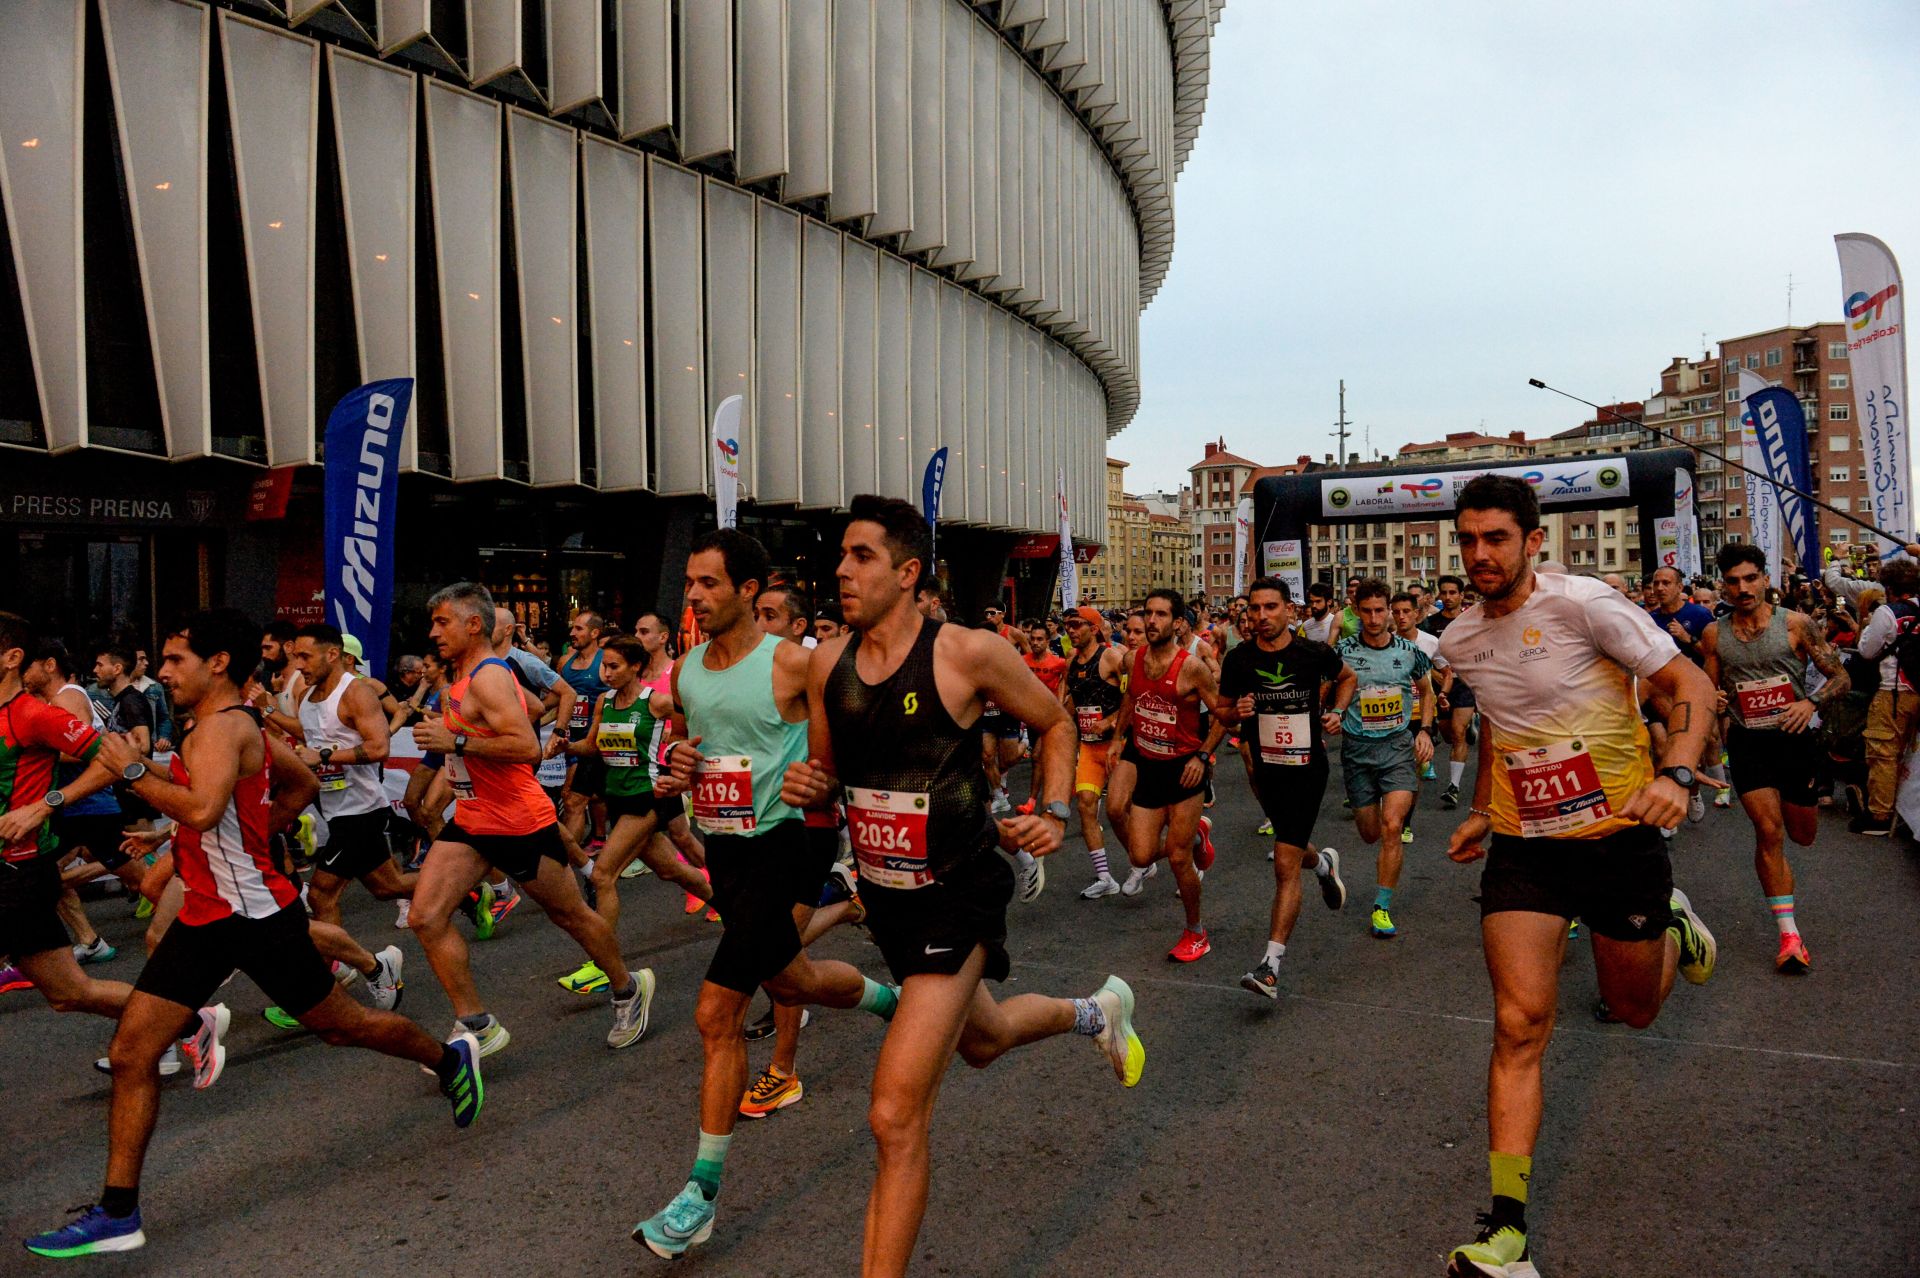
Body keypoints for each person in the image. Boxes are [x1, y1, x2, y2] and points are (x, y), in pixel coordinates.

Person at [24, 609, 483, 1260]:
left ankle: (447, 1058)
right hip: (207, 917)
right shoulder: (223, 726)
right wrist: (217, 838)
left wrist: (135, 775)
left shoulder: (224, 728)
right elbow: (288, 784)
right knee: (132, 1053)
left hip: (254, 918)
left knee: (341, 1024)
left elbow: (206, 806)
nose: (162, 670)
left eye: (175, 658)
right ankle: (118, 1210)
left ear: (217, 663)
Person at [781, 495, 1143, 1278]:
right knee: (983, 1042)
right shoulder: (825, 663)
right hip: (885, 901)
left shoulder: (966, 653)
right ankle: (1097, 1013)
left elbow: (1055, 722)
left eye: (863, 556)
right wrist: (807, 784)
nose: (842, 570)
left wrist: (1050, 809)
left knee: (893, 1115)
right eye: (841, 555)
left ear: (909, 573)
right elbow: (828, 772)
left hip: (959, 893)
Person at [1437, 476, 1718, 1277]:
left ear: (1533, 541)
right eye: (1468, 539)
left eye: (1495, 538)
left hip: (1620, 841)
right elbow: (1503, 723)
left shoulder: (1586, 606)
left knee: (1633, 1011)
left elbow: (1687, 686)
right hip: (1528, 849)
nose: (1480, 554)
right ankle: (1507, 1232)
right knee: (1520, 1022)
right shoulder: (1460, 640)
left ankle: (1672, 919)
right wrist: (1487, 812)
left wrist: (1679, 774)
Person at [632, 529, 898, 1260]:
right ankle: (892, 1004)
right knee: (792, 976)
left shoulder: (794, 664)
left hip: (788, 844)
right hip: (725, 847)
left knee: (717, 1010)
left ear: (749, 591)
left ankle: (701, 1194)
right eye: (689, 582)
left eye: (709, 583)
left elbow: (851, 748)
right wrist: (681, 763)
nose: (693, 595)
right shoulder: (686, 671)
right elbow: (693, 746)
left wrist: (827, 779)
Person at [408, 583, 652, 1054]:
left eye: (442, 622)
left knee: (570, 915)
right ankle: (475, 1022)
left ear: (473, 624)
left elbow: (525, 747)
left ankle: (627, 987)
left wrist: (455, 741)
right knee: (425, 916)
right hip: (475, 819)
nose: (433, 632)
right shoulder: (471, 675)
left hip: (519, 822)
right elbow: (536, 707)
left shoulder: (488, 678)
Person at [1699, 544, 1846, 973]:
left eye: (1750, 579)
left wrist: (1811, 704)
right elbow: (1711, 696)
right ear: (1723, 585)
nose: (1742, 589)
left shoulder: (1796, 625)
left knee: (1802, 834)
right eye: (1733, 581)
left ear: (1765, 579)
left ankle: (1789, 925)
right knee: (1769, 830)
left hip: (1794, 740)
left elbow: (1841, 675)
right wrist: (1719, 700)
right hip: (1749, 743)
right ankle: (1789, 936)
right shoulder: (1714, 634)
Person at [1215, 578, 1352, 997]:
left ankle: (1270, 966)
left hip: (1309, 769)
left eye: (1270, 607)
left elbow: (1347, 679)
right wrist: (1235, 712)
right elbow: (1221, 711)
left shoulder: (1312, 653)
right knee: (1295, 847)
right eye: (1254, 609)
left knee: (1284, 862)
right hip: (1266, 770)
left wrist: (1338, 713)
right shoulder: (1239, 659)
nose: (1261, 616)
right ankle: (1325, 866)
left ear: (1289, 611)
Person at [558, 636, 711, 994]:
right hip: (619, 798)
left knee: (603, 876)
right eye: (604, 666)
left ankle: (602, 963)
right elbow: (593, 745)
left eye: (614, 666)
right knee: (670, 868)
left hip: (649, 797)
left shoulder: (656, 703)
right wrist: (567, 745)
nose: (606, 673)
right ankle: (734, 907)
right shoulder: (604, 702)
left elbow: (687, 730)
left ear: (636, 667)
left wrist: (678, 759)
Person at [1112, 588, 1224, 960]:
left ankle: (1196, 931)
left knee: (1176, 859)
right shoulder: (1132, 659)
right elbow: (1131, 699)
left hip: (1184, 769)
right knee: (1140, 856)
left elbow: (1222, 714)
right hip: (1148, 765)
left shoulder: (1191, 667)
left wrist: (1203, 757)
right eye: (1148, 613)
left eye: (1161, 615)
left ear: (1178, 623)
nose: (1152, 621)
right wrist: (1117, 739)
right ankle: (1196, 838)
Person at [291, 623, 417, 937]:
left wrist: (321, 757)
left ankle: (346, 969)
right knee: (389, 887)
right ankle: (470, 890)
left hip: (360, 811)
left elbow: (379, 747)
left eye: (305, 657)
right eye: (296, 657)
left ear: (332, 654)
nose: (298, 665)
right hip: (336, 809)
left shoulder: (357, 692)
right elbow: (311, 738)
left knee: (321, 894)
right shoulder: (307, 697)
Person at [1334, 580, 1434, 939]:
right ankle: (1333, 864)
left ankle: (1381, 906)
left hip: (1397, 748)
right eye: (1367, 611)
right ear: (1356, 611)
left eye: (1381, 610)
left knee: (1392, 826)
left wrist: (1424, 730)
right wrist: (1330, 713)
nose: (1375, 618)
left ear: (1390, 610)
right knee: (1369, 832)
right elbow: (1326, 689)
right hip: (1357, 750)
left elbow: (1427, 690)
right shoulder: (1341, 651)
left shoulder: (1409, 651)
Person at [1060, 605, 1129, 899]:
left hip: (1120, 746)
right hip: (1089, 748)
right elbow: (1072, 700)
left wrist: (1111, 721)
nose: (1071, 631)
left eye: (1077, 625)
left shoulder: (1112, 657)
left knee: (1131, 810)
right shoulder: (1070, 662)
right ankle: (1105, 877)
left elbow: (1135, 696)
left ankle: (1176, 853)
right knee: (1086, 806)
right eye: (1068, 626)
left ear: (1094, 628)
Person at [1853, 557, 1920, 837]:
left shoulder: (1887, 613)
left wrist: (1867, 625)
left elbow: (1867, 651)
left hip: (1894, 692)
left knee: (1883, 752)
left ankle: (1879, 815)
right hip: (1918, 689)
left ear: (1889, 587)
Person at [557, 610, 612, 852]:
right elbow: (558, 699)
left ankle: (566, 856)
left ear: (595, 633)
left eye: (579, 628)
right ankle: (599, 838)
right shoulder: (565, 662)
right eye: (573, 628)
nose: (572, 633)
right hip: (571, 740)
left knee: (572, 798)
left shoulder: (605, 662)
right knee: (594, 796)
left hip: (593, 742)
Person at [1423, 574, 1474, 809]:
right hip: (1439, 686)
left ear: (1462, 596)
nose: (1448, 597)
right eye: (1444, 593)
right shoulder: (1429, 624)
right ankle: (1469, 728)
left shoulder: (1471, 621)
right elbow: (1424, 658)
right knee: (1447, 735)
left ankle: (1453, 786)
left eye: (1453, 593)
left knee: (1457, 732)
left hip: (1464, 684)